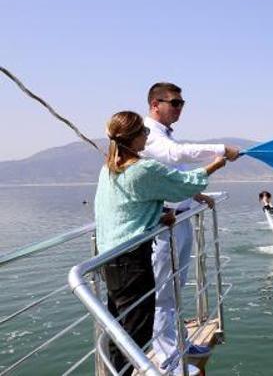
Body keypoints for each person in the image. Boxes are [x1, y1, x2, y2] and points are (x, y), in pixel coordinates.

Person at [95, 111, 226, 376]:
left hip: (110, 257)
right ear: (133, 139)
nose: (147, 136)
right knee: (135, 329)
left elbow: (129, 206)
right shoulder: (143, 168)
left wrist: (156, 217)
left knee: (119, 325)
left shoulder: (110, 168)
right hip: (131, 260)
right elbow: (183, 184)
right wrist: (216, 164)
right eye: (143, 132)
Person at [141, 82, 241, 370]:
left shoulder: (164, 136)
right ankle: (167, 356)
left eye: (182, 103)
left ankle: (179, 342)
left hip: (180, 219)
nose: (179, 108)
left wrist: (195, 195)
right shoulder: (149, 136)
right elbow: (175, 156)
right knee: (163, 292)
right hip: (163, 225)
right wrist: (221, 150)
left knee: (176, 287)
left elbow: (175, 173)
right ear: (154, 105)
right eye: (174, 103)